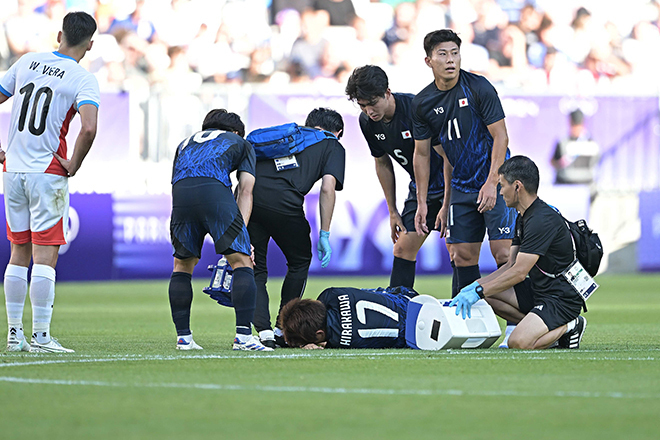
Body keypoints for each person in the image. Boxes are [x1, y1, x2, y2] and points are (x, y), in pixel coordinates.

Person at [0, 11, 100, 353]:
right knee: (44, 255)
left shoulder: (27, 62)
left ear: (60, 34)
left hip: (12, 171)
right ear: (90, 44)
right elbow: (88, 127)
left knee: (18, 252)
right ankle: (41, 335)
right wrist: (74, 163)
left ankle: (15, 335)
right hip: (47, 172)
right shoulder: (83, 79)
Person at [411, 29, 517, 345]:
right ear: (429, 60)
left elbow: (502, 137)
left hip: (496, 181)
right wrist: (425, 203)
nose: (450, 60)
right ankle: (470, 324)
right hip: (460, 186)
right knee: (462, 256)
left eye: (455, 53)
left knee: (503, 255)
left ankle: (518, 320)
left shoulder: (479, 87)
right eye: (443, 54)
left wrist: (492, 182)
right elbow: (424, 153)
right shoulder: (423, 103)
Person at [450, 155, 587, 350]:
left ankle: (570, 325)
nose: (500, 192)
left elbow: (519, 273)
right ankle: (540, 328)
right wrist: (476, 285)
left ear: (517, 186)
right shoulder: (523, 216)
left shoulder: (541, 220)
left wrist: (479, 291)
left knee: (518, 342)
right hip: (540, 291)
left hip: (560, 298)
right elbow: (510, 265)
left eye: (502, 185)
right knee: (489, 294)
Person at [169, 109, 272, 352]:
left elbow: (177, 179)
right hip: (214, 193)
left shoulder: (184, 143)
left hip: (181, 197)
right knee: (242, 263)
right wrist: (243, 238)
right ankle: (244, 337)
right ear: (236, 132)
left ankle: (184, 338)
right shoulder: (240, 142)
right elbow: (246, 190)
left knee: (181, 265)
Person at [345, 65, 450, 290]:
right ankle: (398, 312)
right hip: (422, 189)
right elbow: (382, 163)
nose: (368, 111)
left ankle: (466, 318)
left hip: (454, 184)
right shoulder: (367, 123)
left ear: (387, 93)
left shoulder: (417, 109)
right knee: (402, 249)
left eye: (373, 103)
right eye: (362, 106)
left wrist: (449, 200)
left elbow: (449, 157)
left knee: (460, 253)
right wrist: (392, 210)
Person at [248, 108, 346, 349]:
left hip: (249, 200)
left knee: (255, 266)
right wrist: (324, 233)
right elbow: (327, 189)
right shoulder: (332, 145)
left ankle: (262, 332)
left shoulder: (283, 137)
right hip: (285, 204)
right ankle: (282, 329)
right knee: (300, 260)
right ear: (338, 132)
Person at [279, 286, 416, 349]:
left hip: (414, 339)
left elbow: (330, 338)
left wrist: (308, 344)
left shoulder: (337, 343)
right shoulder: (331, 294)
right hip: (413, 300)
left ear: (319, 333)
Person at [550, 108, 600, 186]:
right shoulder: (592, 143)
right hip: (585, 184)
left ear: (570, 122)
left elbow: (553, 162)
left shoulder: (563, 143)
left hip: (567, 184)